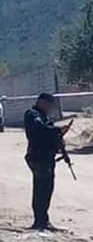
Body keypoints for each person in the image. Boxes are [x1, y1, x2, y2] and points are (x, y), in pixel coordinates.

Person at [23, 93, 72, 231]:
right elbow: (40, 131)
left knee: (47, 189)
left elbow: (51, 135)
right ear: (42, 102)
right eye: (49, 104)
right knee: (41, 189)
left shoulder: (44, 116)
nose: (50, 108)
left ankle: (43, 220)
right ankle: (40, 220)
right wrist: (58, 130)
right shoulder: (32, 115)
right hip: (38, 157)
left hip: (47, 157)